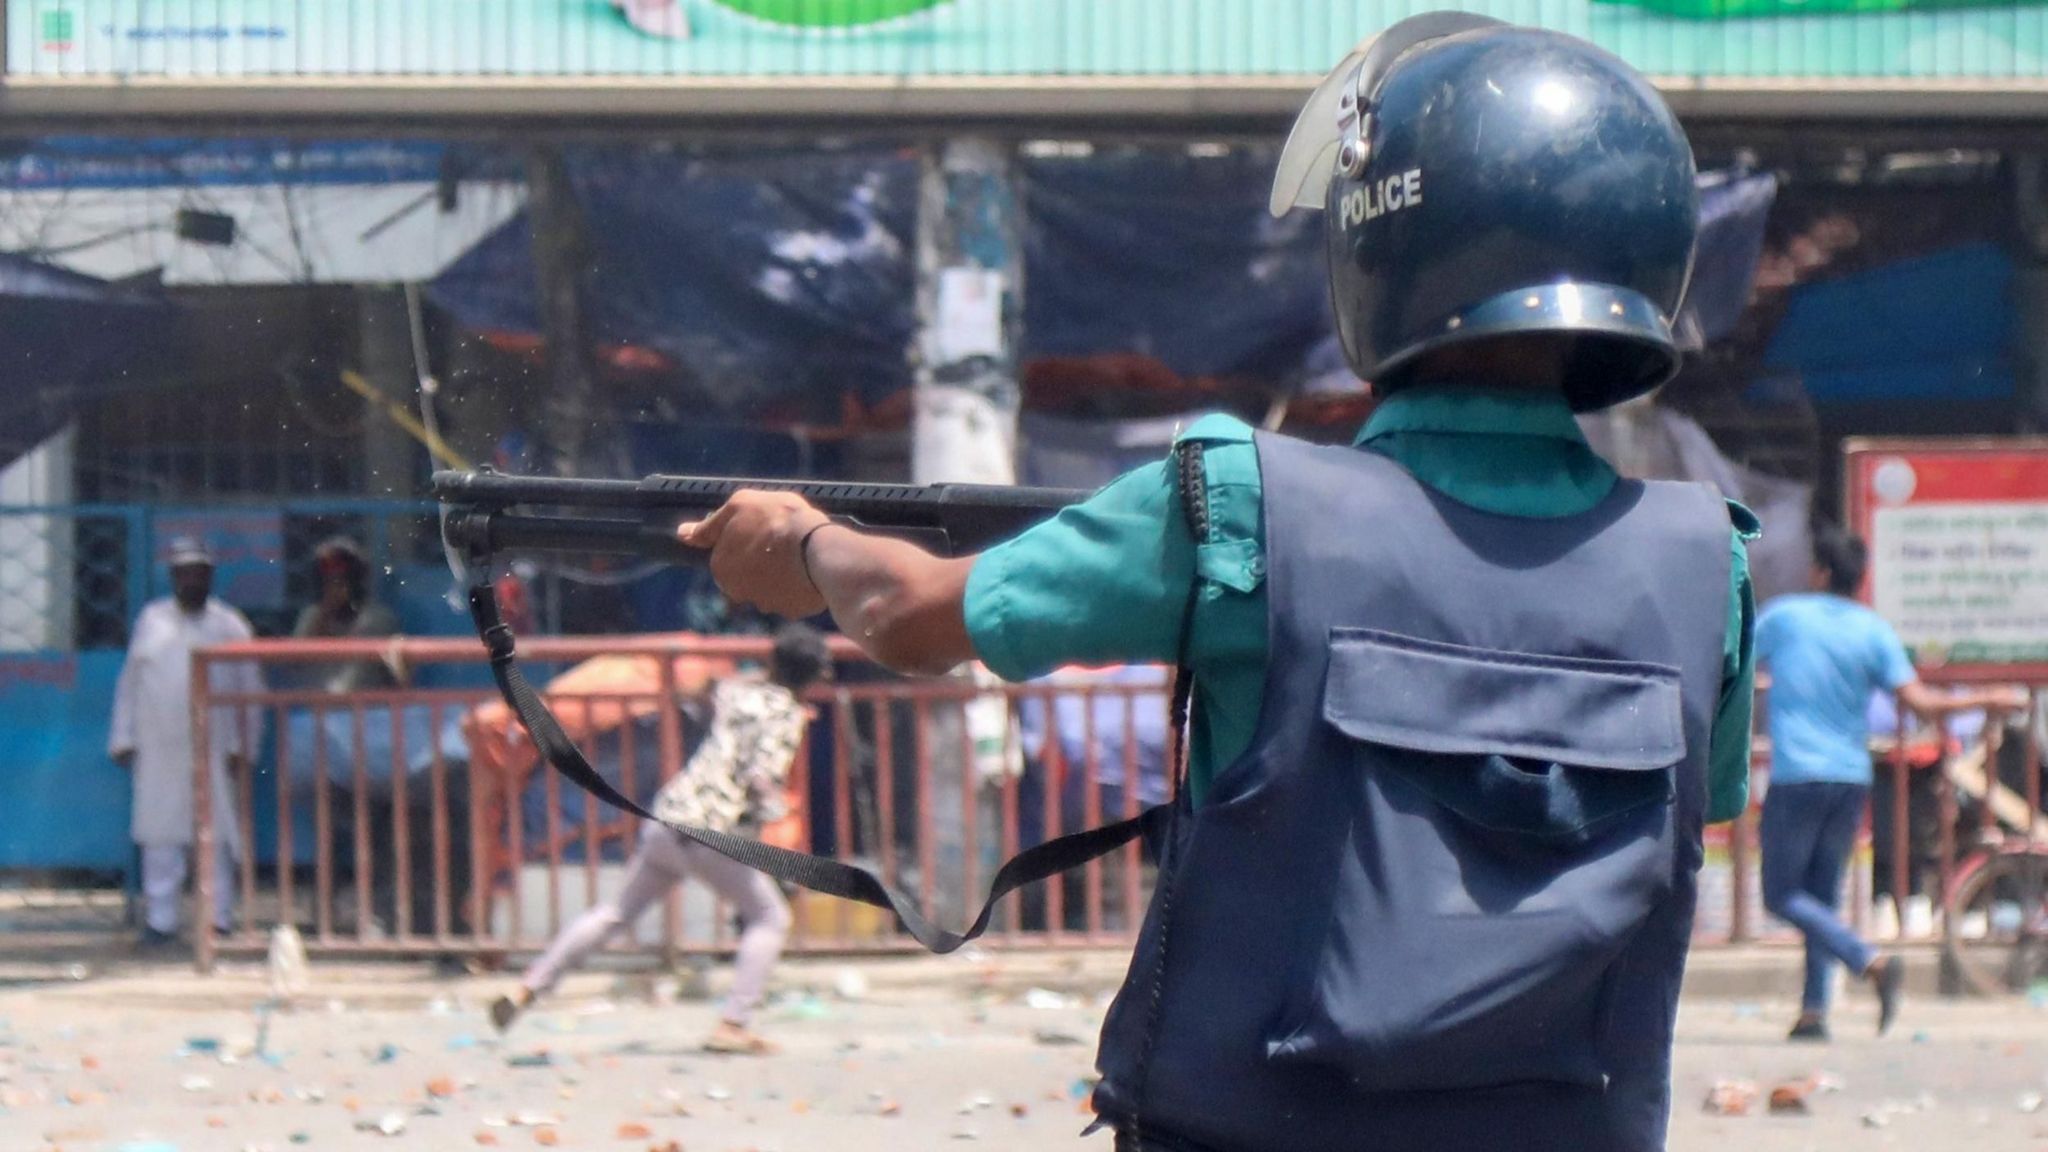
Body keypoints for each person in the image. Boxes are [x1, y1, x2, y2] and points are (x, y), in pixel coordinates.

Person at [677, 15, 1757, 1150]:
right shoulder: (1704, 562)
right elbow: (1697, 806)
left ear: (1381, 248)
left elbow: (909, 614)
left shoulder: (1240, 501)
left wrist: (802, 540)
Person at [490, 623, 831, 1054]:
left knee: (616, 912)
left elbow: (708, 686)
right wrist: (777, 817)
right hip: (713, 830)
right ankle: (734, 1023)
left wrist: (757, 675)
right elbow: (761, 774)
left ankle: (529, 988)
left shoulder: (738, 694)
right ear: (814, 677)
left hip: (669, 817)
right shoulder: (785, 714)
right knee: (770, 918)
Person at [1755, 526, 2026, 1041]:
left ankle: (1866, 957)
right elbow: (1922, 704)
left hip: (1797, 775)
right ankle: (1814, 1012)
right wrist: (1987, 698)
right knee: (1821, 895)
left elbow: (1733, 662)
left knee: (1781, 894)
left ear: (1821, 572)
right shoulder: (1872, 630)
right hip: (1851, 777)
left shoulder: (1786, 616)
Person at [109, 537, 264, 947]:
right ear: (173, 577)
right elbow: (131, 683)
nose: (191, 580)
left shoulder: (230, 625)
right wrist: (123, 736)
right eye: (184, 573)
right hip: (159, 744)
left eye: (199, 572)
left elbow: (251, 689)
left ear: (210, 577)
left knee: (216, 833)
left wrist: (245, 747)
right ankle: (161, 920)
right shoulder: (152, 620)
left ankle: (218, 918)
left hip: (215, 744)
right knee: (160, 834)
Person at [291, 535, 404, 694]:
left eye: (341, 580)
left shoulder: (378, 620)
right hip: (316, 710)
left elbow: (397, 676)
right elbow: (294, 664)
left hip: (367, 711)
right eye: (329, 581)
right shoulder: (311, 616)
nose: (335, 587)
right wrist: (325, 614)